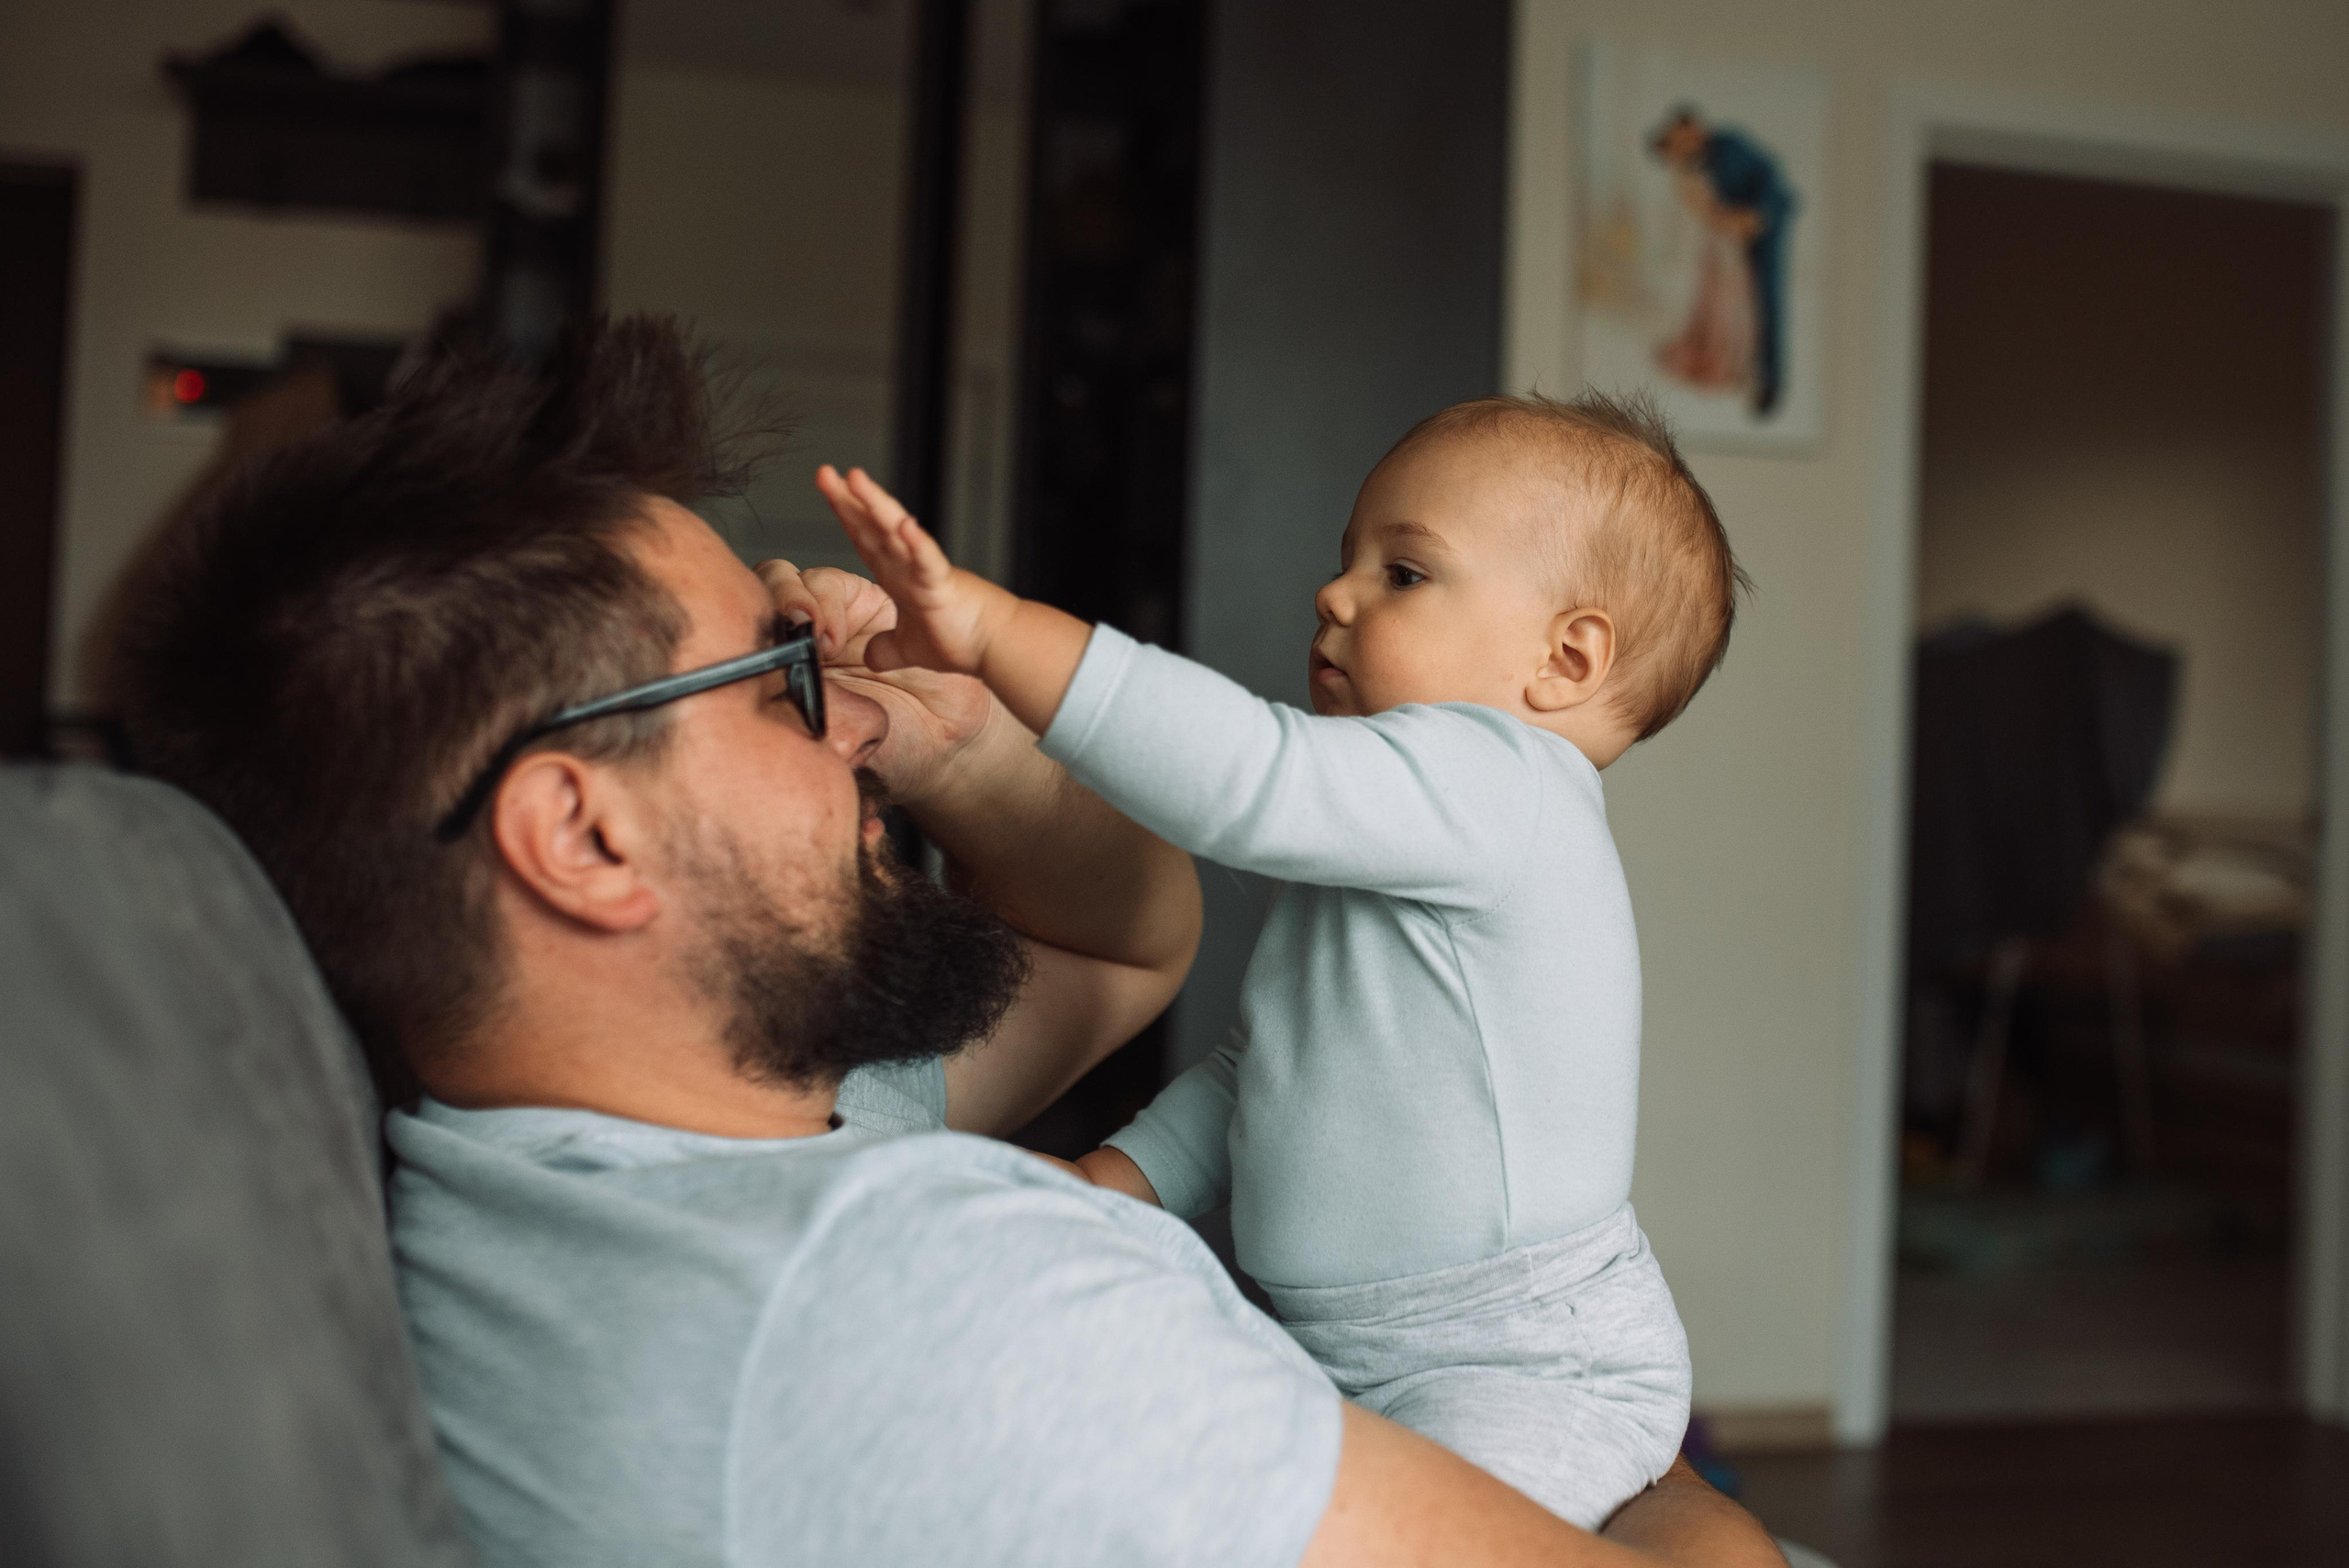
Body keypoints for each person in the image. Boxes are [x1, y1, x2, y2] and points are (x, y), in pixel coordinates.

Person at [114, 316, 1783, 1567]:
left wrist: (944, 728)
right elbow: (1240, 811)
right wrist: (1691, 1508)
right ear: (584, 830)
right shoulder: (914, 1299)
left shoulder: (581, 1155)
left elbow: (1131, 936)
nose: (838, 726)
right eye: (773, 684)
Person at [818, 386, 1746, 1529]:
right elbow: (1260, 1068)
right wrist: (1122, 1180)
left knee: (1411, 1546)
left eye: (1401, 573)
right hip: (1342, 1344)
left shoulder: (1508, 788)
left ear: (1565, 658)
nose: (1334, 594)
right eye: (1345, 559)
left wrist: (997, 631)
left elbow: (1249, 777)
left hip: (1518, 1360)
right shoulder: (1392, 847)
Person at [1651, 108, 1797, 416]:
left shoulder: (1728, 145)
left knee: (1765, 296)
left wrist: (1758, 216)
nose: (1684, 145)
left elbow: (1768, 177)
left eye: (1685, 138)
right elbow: (1708, 208)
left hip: (1762, 226)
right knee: (1734, 298)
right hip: (1731, 234)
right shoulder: (1693, 169)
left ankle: (1769, 376)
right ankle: (1743, 360)